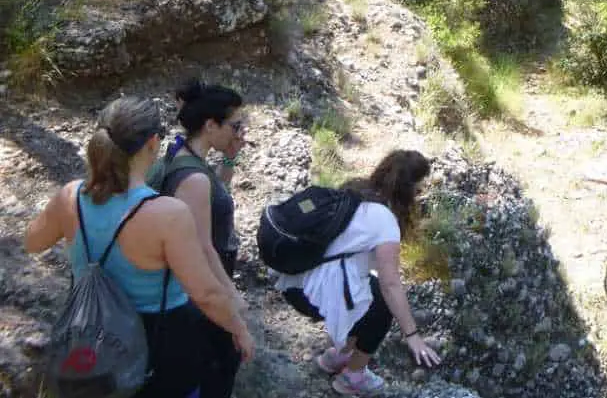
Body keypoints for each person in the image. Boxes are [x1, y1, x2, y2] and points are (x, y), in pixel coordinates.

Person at [24, 97, 254, 398]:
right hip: (159, 347)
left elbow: (32, 242)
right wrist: (239, 328)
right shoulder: (168, 214)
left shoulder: (71, 197)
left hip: (92, 336)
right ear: (154, 143)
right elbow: (206, 294)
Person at [275, 150, 442, 395]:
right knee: (384, 303)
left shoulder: (354, 190)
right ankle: (353, 376)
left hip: (295, 279)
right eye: (419, 189)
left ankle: (338, 356)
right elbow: (391, 284)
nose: (422, 195)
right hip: (312, 292)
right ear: (409, 190)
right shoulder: (385, 220)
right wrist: (413, 335)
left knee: (368, 290)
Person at [147, 79, 247, 398]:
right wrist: (229, 295)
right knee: (219, 361)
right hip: (198, 286)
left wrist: (230, 159)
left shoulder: (183, 154)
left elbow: (218, 195)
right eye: (234, 125)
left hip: (199, 281)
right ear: (210, 125)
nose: (239, 131)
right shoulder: (192, 177)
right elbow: (202, 247)